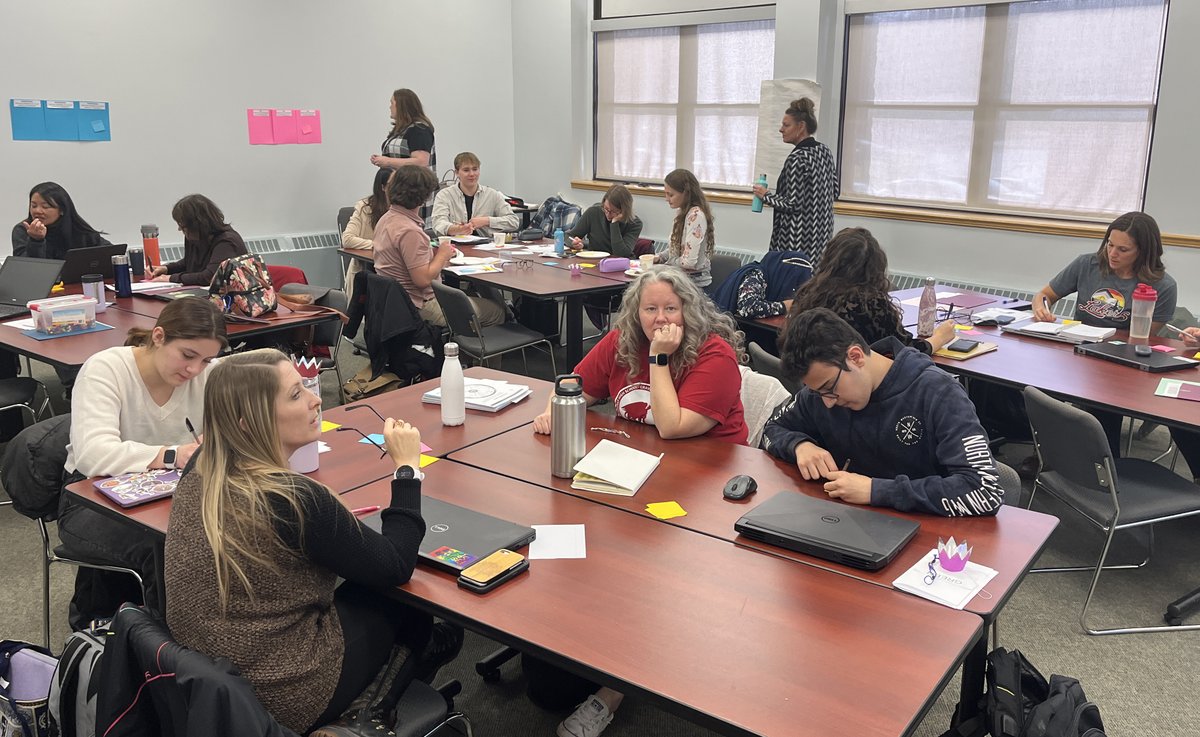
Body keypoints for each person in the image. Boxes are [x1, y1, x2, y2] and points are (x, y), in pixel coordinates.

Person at [164, 349, 435, 734]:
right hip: (283, 695)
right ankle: (364, 716)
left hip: (202, 682)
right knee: (411, 607)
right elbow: (395, 563)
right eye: (295, 395)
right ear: (248, 423)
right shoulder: (292, 499)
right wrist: (407, 469)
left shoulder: (203, 464)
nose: (317, 398)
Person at [59, 297, 228, 628]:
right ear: (159, 336)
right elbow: (94, 454)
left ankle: (213, 636)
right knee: (173, 550)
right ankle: (163, 652)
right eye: (188, 355)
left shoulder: (208, 375)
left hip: (167, 495)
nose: (194, 370)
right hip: (90, 499)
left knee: (238, 528)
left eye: (207, 360)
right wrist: (172, 454)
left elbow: (258, 385)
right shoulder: (107, 369)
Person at [762, 308, 1004, 517]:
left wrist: (876, 491)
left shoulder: (937, 393)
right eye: (818, 393)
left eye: (830, 389)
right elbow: (771, 428)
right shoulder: (821, 391)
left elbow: (984, 491)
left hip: (923, 536)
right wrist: (799, 445)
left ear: (855, 357)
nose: (828, 403)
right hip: (845, 522)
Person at [1032, 211, 1178, 454]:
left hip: (1120, 363)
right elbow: (1044, 295)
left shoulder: (1162, 285)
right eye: (1110, 244)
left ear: (1143, 251)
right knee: (1035, 386)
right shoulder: (1087, 264)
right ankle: (1043, 451)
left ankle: (1099, 467)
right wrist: (1041, 308)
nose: (1112, 253)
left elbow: (1142, 340)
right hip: (1078, 352)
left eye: (1123, 249)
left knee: (1101, 402)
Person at [783, 227, 955, 352]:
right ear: (875, 268)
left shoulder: (809, 292)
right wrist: (939, 337)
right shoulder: (870, 305)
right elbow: (906, 353)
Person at [373, 166, 505, 328]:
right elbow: (421, 280)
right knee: (496, 311)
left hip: (395, 303)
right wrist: (442, 254)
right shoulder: (410, 231)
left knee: (467, 296)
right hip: (420, 305)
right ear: (423, 197)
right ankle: (466, 351)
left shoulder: (386, 219)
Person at [751, 97, 839, 263]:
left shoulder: (797, 159)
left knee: (793, 284)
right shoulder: (824, 151)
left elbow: (793, 204)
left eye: (786, 125)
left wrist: (765, 195)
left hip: (796, 240)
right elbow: (835, 191)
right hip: (821, 238)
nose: (781, 130)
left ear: (801, 127)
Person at [149, 194, 248, 285]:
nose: (179, 229)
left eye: (182, 225)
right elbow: (189, 262)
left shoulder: (227, 241)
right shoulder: (195, 237)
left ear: (196, 224)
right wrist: (166, 269)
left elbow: (209, 277)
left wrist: (171, 278)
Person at [11, 181, 110, 260]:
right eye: (33, 206)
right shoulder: (23, 230)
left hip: (74, 283)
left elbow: (109, 252)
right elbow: (26, 268)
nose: (37, 211)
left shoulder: (75, 228)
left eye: (45, 206)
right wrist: (35, 240)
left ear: (62, 210)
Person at [430, 152, 519, 238]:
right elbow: (438, 224)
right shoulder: (444, 195)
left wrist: (487, 221)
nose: (472, 174)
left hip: (486, 247)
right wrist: (457, 229)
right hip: (456, 246)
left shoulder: (492, 194)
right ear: (457, 173)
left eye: (475, 169)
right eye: (466, 170)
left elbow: (514, 221)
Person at [652, 168, 714, 288]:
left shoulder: (695, 216)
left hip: (694, 286)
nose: (666, 199)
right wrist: (660, 257)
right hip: (681, 280)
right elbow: (678, 248)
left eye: (671, 195)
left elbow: (688, 262)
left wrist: (666, 264)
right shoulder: (682, 213)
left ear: (686, 193)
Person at [342, 168, 392, 296]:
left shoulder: (403, 208)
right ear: (383, 187)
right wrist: (376, 245)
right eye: (393, 184)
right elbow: (347, 239)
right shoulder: (364, 207)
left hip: (392, 271)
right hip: (365, 271)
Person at [566, 184, 642, 258]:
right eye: (606, 209)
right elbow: (568, 236)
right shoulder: (593, 212)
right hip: (594, 262)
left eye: (613, 212)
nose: (608, 215)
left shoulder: (635, 223)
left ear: (624, 211)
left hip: (619, 265)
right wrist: (574, 243)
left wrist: (614, 223)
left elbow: (621, 254)